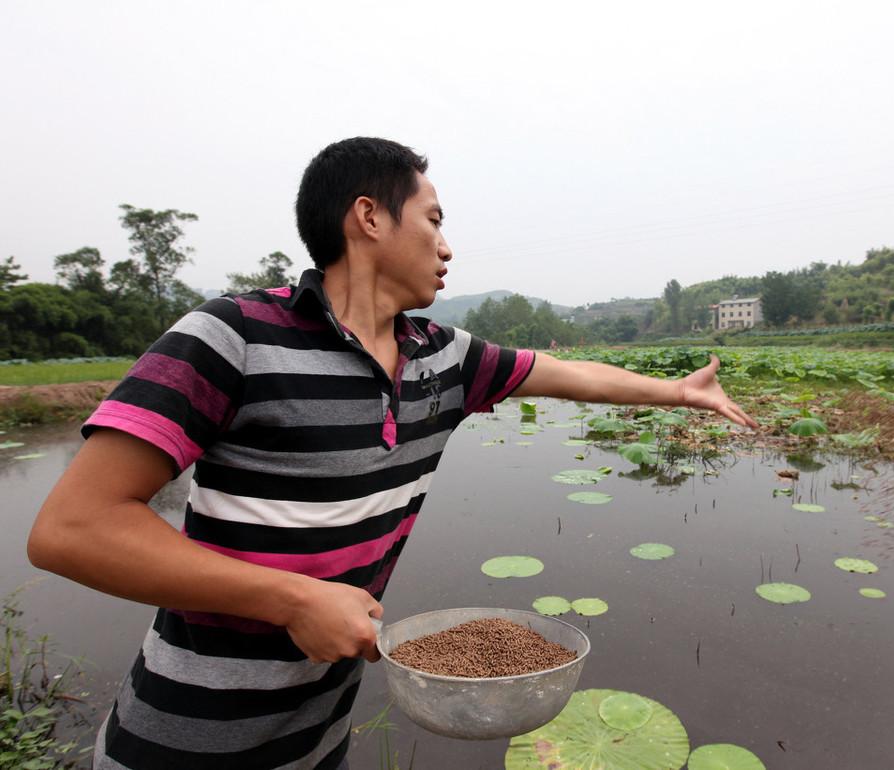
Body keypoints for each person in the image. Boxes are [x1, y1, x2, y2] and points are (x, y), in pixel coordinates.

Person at [27, 137, 758, 769]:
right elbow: (72, 528)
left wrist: (676, 392)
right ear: (369, 215)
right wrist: (292, 598)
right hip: (187, 745)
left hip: (318, 740)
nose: (446, 246)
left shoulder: (445, 358)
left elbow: (566, 373)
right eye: (434, 220)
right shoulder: (233, 336)